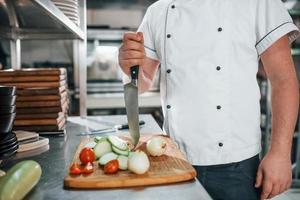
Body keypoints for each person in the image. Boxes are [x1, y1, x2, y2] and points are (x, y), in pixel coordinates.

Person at [118, 0, 299, 199]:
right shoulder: (158, 10)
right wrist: (129, 68)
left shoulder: (258, 3)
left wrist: (280, 153)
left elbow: (284, 81)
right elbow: (142, 84)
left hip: (235, 167)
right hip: (171, 159)